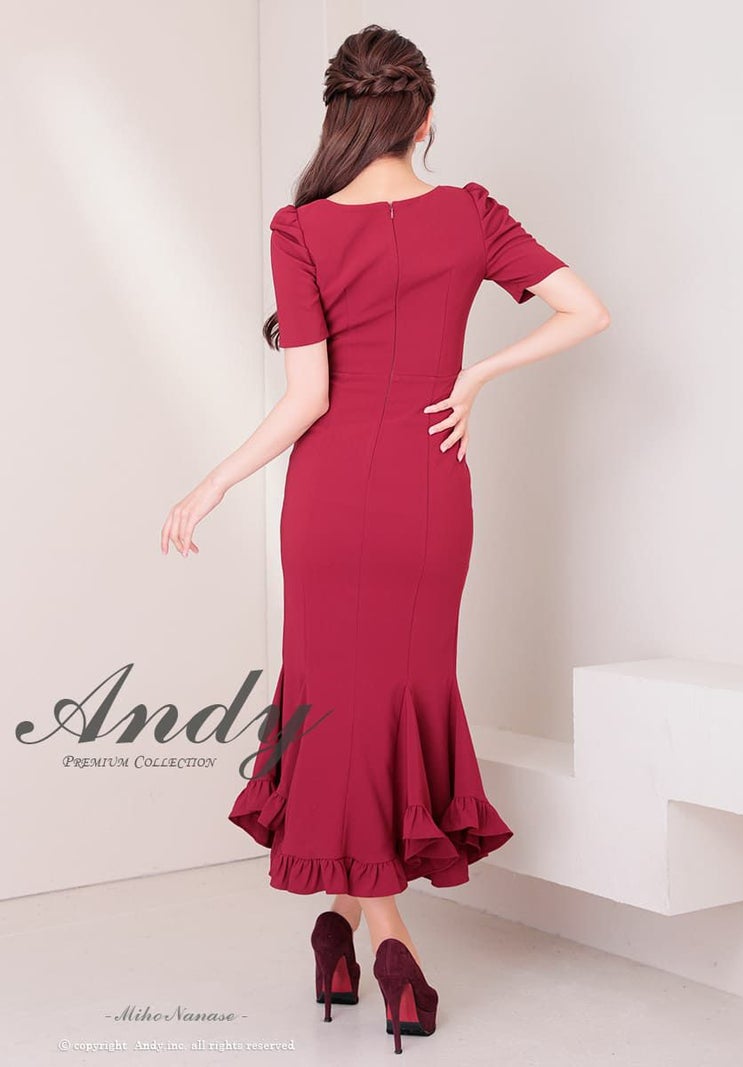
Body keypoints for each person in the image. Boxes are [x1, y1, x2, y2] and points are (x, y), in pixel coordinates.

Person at [161, 22, 609, 1055]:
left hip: (327, 498)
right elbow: (585, 311)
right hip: (428, 488)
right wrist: (476, 377)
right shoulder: (471, 214)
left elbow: (308, 398)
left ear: (342, 116)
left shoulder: (300, 228)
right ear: (426, 116)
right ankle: (365, 930)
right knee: (390, 702)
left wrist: (216, 479)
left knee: (332, 709)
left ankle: (363, 933)